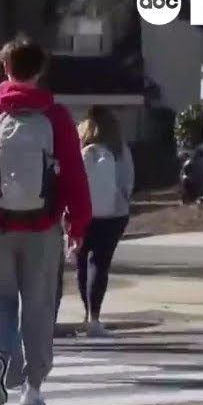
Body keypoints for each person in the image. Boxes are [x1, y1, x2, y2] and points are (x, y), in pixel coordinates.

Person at [0, 36, 92, 405]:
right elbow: (74, 174)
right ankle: (34, 387)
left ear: (5, 68)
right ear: (39, 70)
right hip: (42, 228)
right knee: (38, 305)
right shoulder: (56, 116)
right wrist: (77, 225)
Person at [77, 105, 134, 338]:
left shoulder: (79, 150)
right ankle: (95, 317)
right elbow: (127, 184)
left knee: (82, 262)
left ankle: (85, 312)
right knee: (99, 264)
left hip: (83, 213)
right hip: (114, 215)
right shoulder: (120, 151)